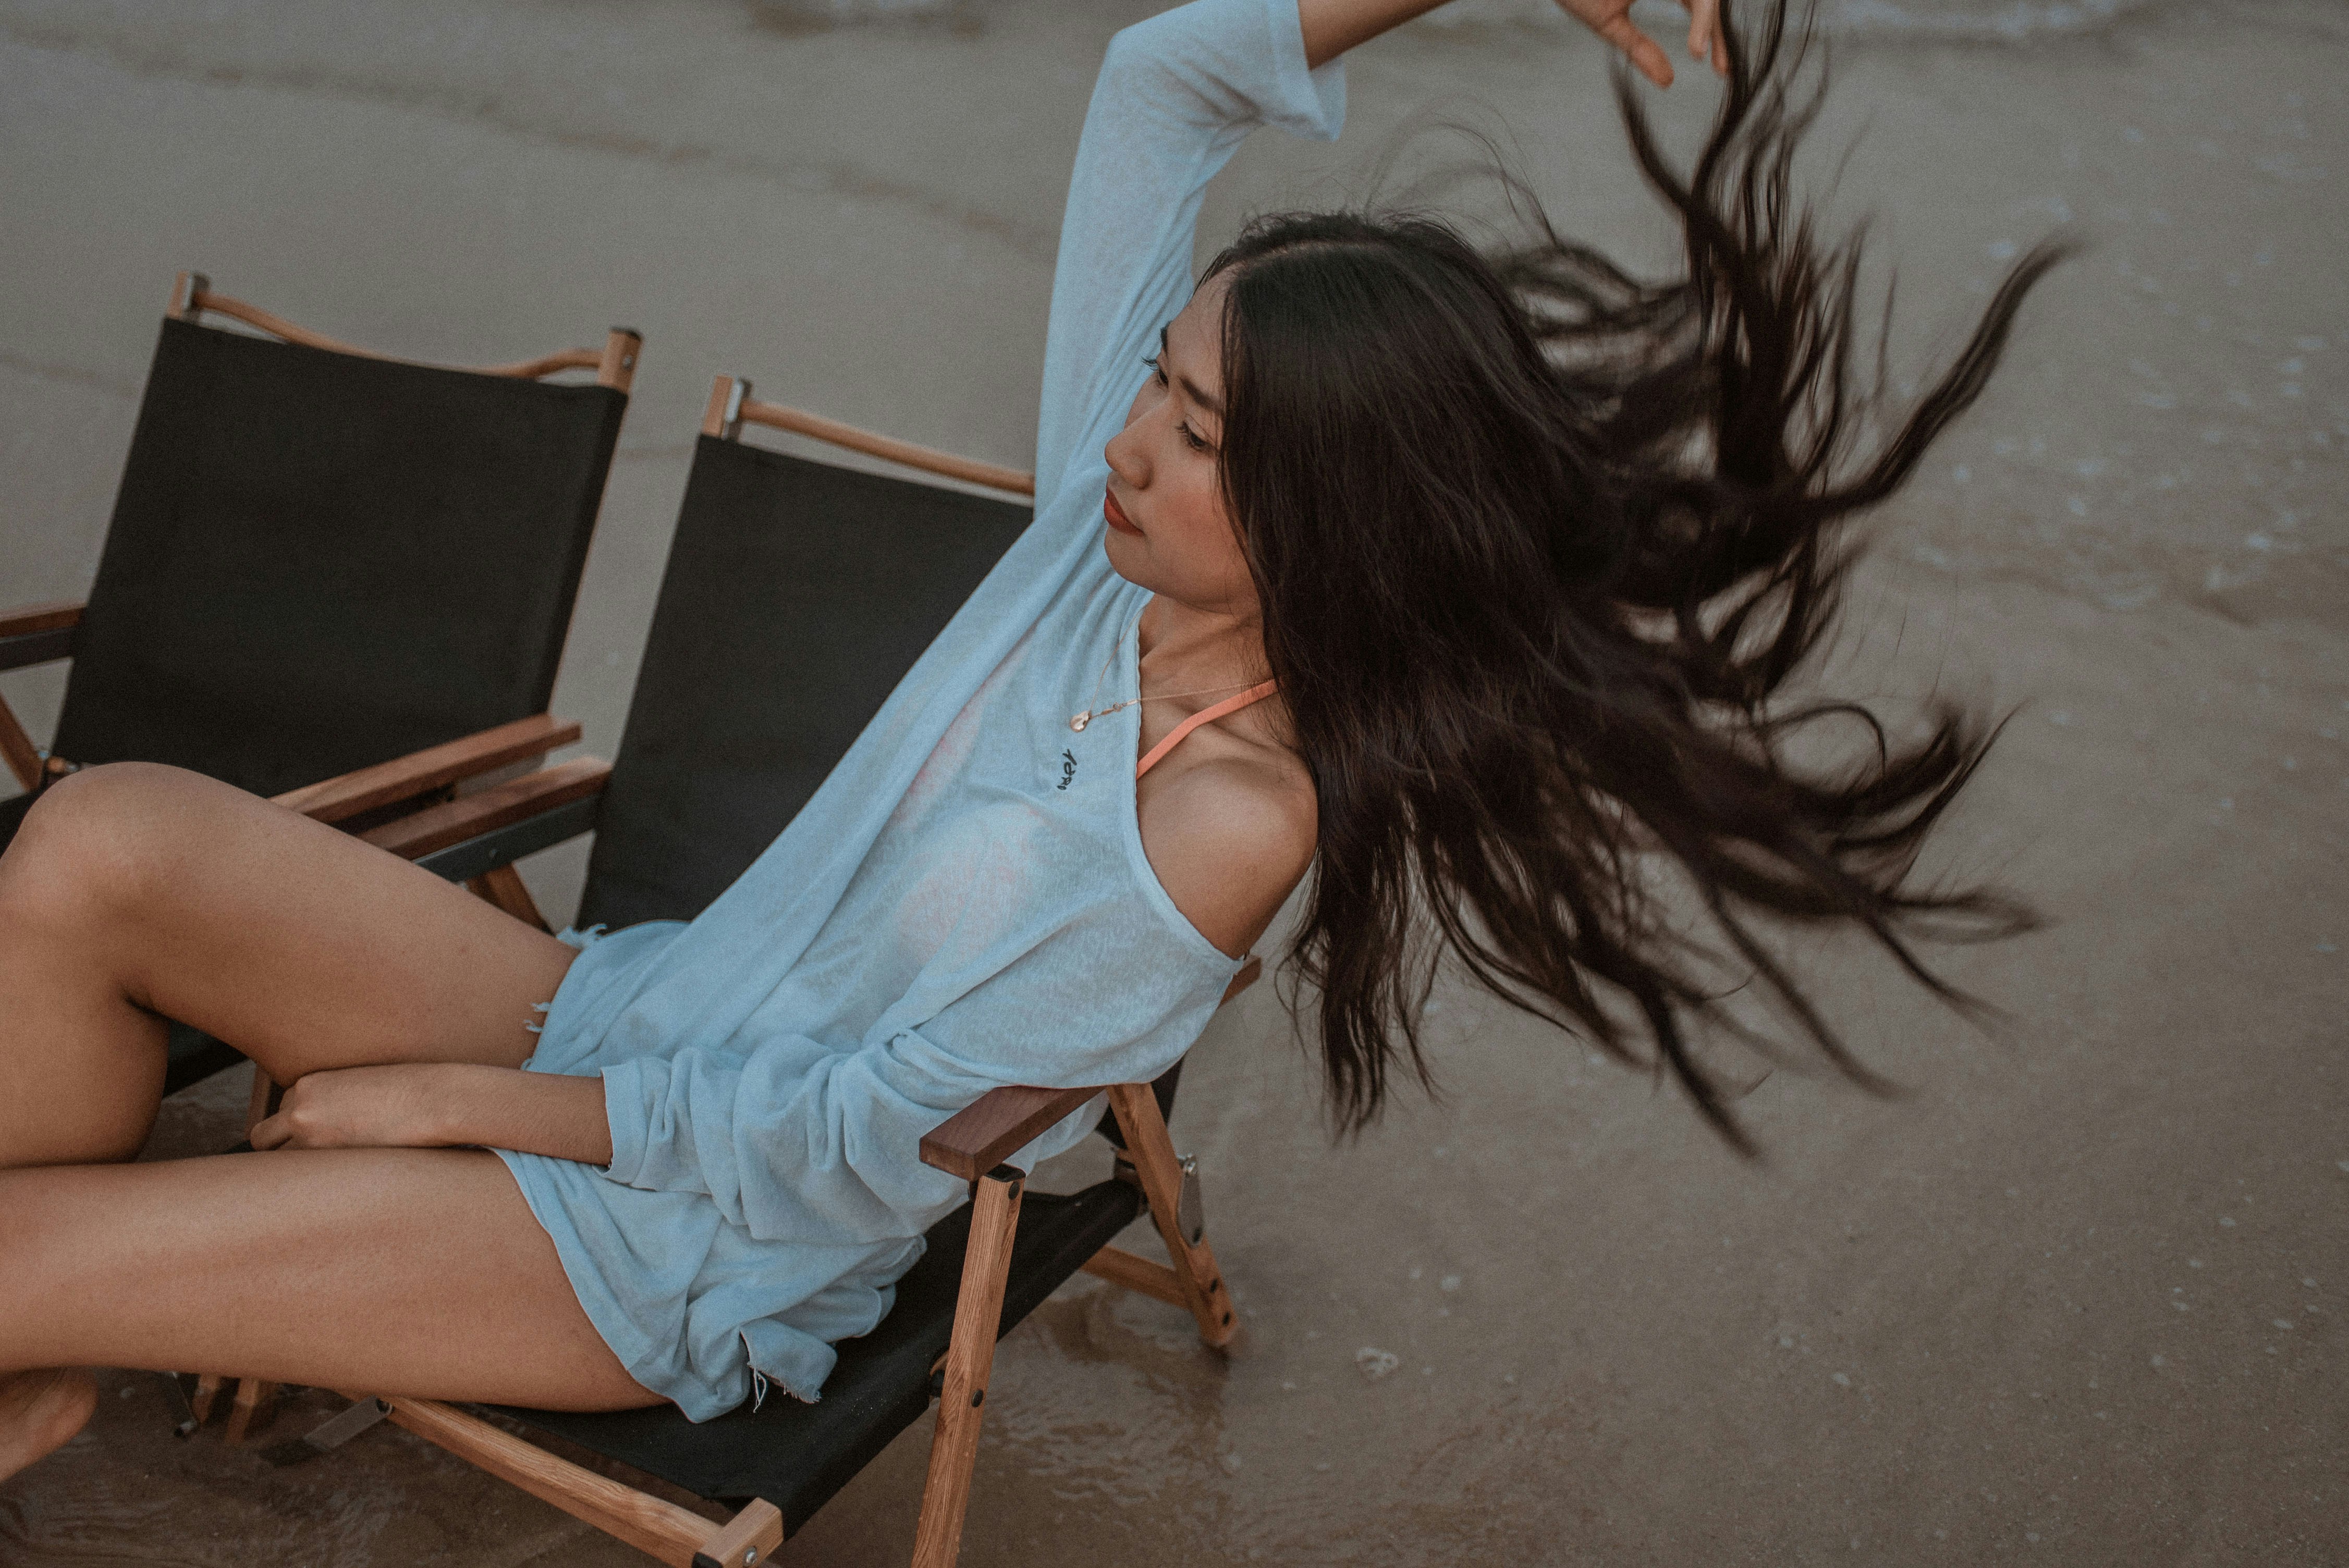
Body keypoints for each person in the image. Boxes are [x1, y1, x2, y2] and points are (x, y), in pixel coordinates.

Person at [0, 0, 2056, 1477]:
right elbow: (1156, 78)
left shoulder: (1224, 828)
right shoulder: (1103, 560)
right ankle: (63, 1350)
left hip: (664, 1241)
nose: (1114, 449)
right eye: (1153, 383)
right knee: (100, 835)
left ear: (1323, 518)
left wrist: (455, 1104)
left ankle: (62, 1310)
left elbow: (855, 1145)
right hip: (626, 1017)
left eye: (1187, 431)